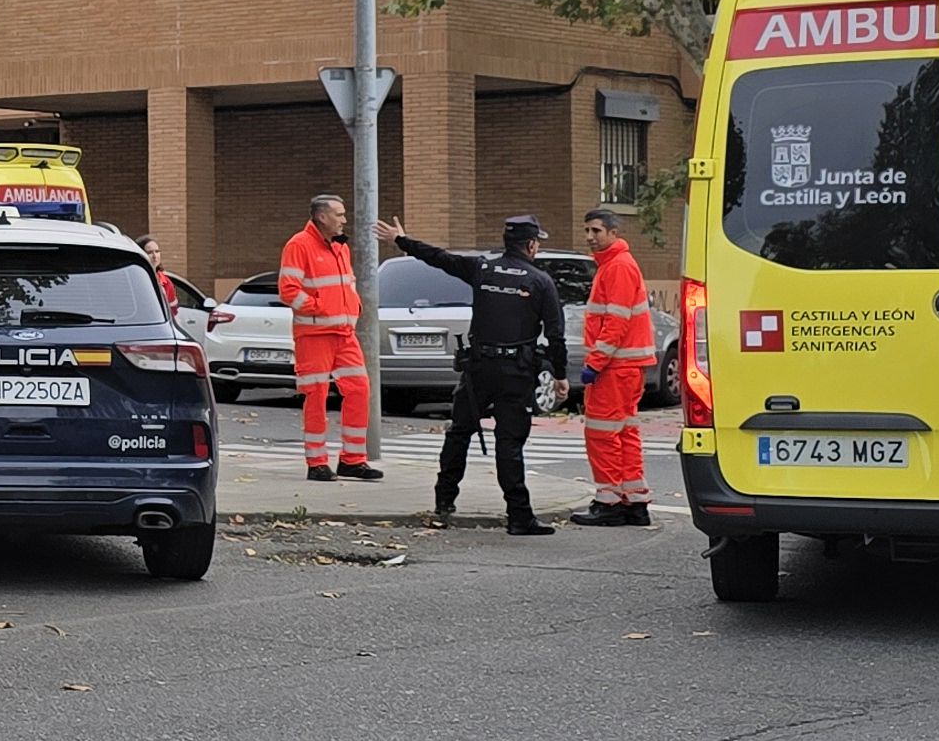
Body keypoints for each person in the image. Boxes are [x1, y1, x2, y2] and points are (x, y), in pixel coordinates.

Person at [388, 215, 565, 535]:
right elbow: (555, 335)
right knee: (509, 444)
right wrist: (560, 376)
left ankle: (444, 502)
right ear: (532, 244)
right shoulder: (540, 281)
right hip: (515, 374)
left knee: (459, 434)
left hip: (478, 372)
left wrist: (403, 241)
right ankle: (519, 516)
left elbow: (440, 258)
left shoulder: (483, 269)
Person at [274, 193, 377, 480]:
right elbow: (288, 290)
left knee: (359, 390)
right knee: (316, 396)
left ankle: (353, 460)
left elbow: (345, 285)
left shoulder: (340, 247)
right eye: (339, 215)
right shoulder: (299, 244)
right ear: (322, 216)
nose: (344, 220)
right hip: (315, 335)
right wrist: (320, 308)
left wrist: (351, 307)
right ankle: (317, 462)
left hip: (344, 333)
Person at [570, 203, 657, 525]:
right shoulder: (616, 264)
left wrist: (595, 362)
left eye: (596, 231)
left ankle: (609, 503)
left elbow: (616, 322)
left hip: (615, 368)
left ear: (614, 233)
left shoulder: (617, 266)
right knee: (624, 433)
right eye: (587, 230)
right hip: (626, 367)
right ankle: (634, 502)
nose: (590, 237)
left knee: (602, 434)